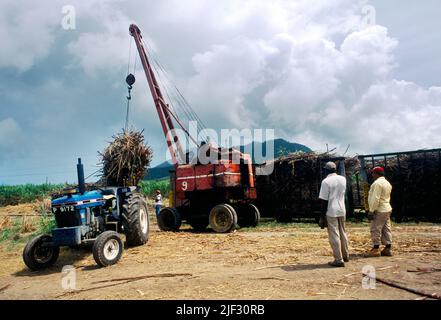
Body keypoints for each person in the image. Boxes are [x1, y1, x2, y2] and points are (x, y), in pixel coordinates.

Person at [319, 162, 349, 267]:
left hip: (331, 210)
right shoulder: (343, 179)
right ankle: (345, 255)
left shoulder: (325, 182)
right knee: (343, 233)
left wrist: (322, 217)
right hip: (342, 209)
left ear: (326, 170)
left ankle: (338, 259)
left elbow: (324, 201)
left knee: (334, 235)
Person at [365, 166, 393, 257]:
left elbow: (375, 198)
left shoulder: (377, 183)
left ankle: (376, 249)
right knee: (386, 229)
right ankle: (387, 248)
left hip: (379, 209)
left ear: (376, 174)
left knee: (375, 228)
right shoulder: (387, 183)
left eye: (373, 173)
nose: (372, 175)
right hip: (387, 208)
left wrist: (371, 210)